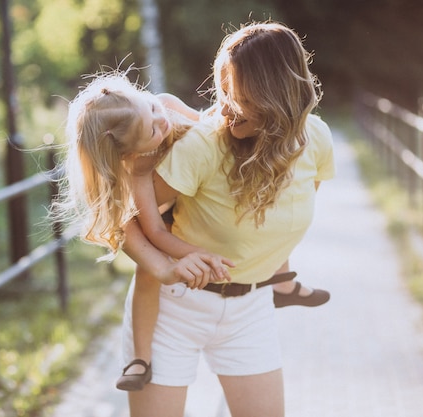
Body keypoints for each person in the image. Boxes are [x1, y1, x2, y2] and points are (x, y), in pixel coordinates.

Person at [118, 20, 335, 416]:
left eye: (241, 97)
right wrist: (163, 264)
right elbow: (125, 216)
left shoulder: (316, 139)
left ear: (278, 96)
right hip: (175, 306)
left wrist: (280, 275)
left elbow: (281, 225)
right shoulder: (204, 146)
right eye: (225, 91)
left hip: (250, 310)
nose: (227, 109)